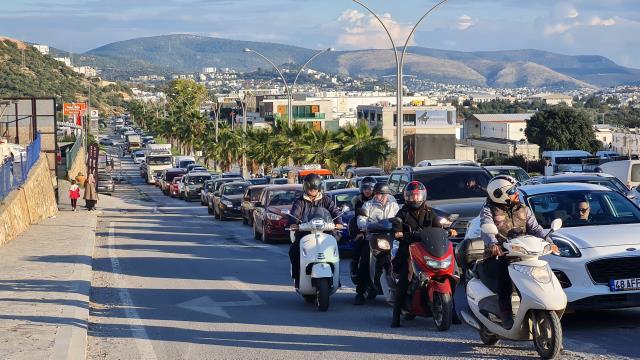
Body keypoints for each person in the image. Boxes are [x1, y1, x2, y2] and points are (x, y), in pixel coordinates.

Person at [480, 175, 554, 329]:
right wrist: (493, 244)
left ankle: (544, 320)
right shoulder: (488, 210)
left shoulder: (523, 208)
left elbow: (535, 228)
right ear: (500, 194)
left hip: (523, 254)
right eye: (512, 190)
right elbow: (486, 229)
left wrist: (549, 242)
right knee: (504, 278)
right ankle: (506, 315)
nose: (516, 193)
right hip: (500, 256)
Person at [390, 181, 442, 327]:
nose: (415, 199)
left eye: (417, 195)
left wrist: (447, 231)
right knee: (405, 278)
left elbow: (438, 227)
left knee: (448, 273)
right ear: (407, 197)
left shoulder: (430, 212)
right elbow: (396, 227)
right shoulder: (402, 213)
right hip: (408, 250)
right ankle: (396, 315)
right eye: (412, 196)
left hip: (428, 249)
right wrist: (398, 232)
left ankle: (453, 310)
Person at [288, 173, 343, 287]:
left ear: (319, 188)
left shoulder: (326, 200)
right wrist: (293, 223)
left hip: (325, 232)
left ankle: (336, 276)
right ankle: (297, 276)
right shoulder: (300, 201)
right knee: (294, 250)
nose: (313, 190)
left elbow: (335, 212)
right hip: (305, 233)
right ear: (305, 187)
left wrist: (339, 223)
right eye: (311, 188)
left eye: (315, 188)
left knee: (335, 249)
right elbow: (294, 214)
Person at [354, 182, 399, 305]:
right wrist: (366, 225)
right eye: (377, 193)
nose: (377, 196)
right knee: (364, 261)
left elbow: (399, 217)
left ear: (386, 194)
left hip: (390, 237)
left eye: (380, 194)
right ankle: (360, 292)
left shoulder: (393, 204)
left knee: (401, 257)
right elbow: (361, 219)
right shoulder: (368, 204)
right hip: (372, 237)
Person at [349, 176, 377, 302]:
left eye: (371, 188)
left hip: (382, 234)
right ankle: (359, 292)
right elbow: (358, 219)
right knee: (363, 257)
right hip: (366, 232)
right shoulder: (358, 201)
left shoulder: (385, 202)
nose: (368, 190)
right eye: (365, 188)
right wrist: (361, 232)